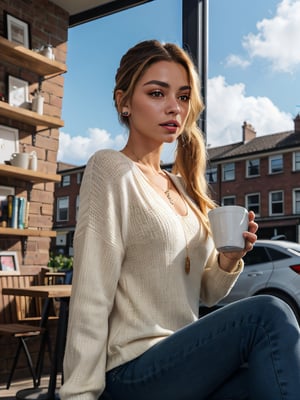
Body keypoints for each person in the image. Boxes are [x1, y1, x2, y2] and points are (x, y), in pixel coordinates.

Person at [59, 40, 300, 400]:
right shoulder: (109, 169)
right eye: (158, 93)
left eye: (184, 97)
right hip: (132, 370)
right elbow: (91, 295)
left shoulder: (183, 187)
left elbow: (206, 292)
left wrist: (229, 259)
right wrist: (80, 395)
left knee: (268, 374)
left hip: (181, 363)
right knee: (268, 314)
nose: (174, 107)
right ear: (124, 102)